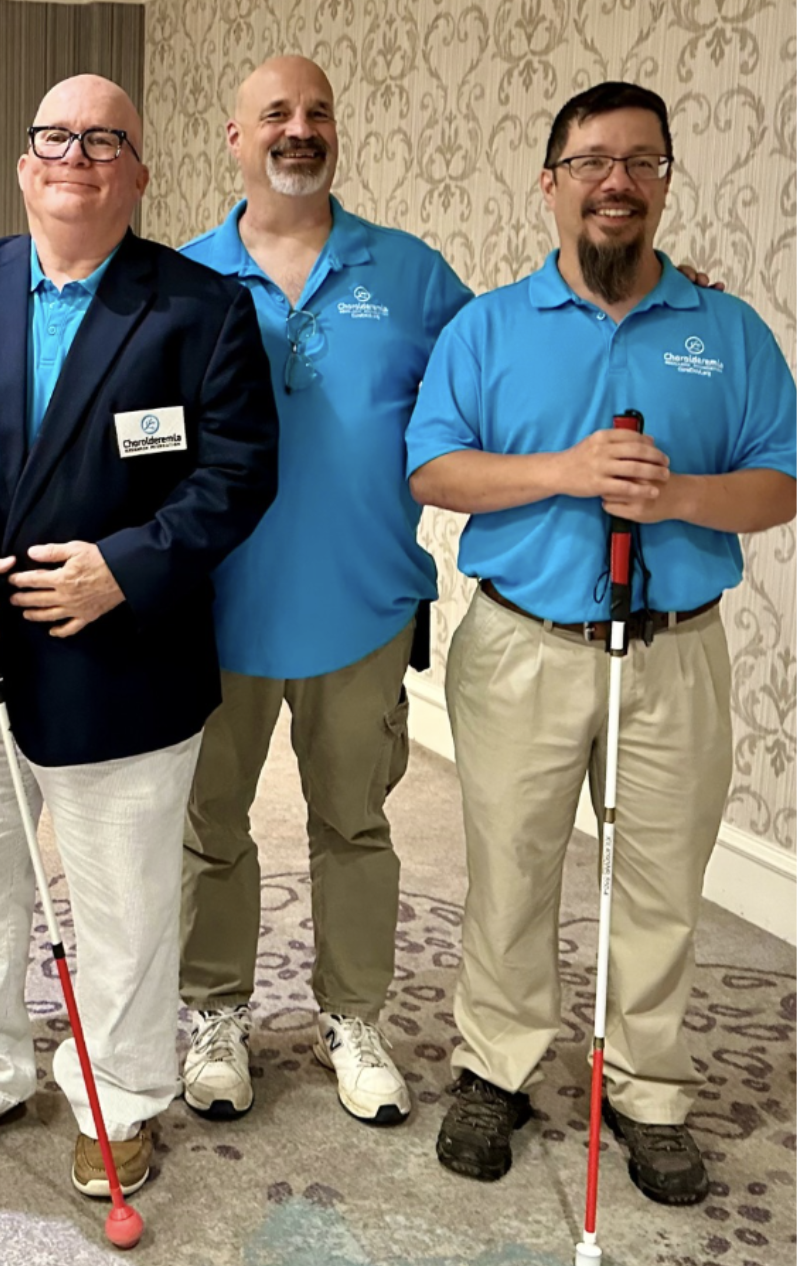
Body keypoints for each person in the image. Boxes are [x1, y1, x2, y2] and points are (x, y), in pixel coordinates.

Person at [406, 82, 796, 1203]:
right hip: (523, 646)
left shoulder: (726, 331)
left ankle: (649, 1091)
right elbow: (432, 468)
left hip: (676, 651)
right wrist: (565, 474)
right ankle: (499, 1066)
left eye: (641, 162)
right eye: (591, 161)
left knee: (663, 881)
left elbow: (780, 487)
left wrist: (679, 501)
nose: (615, 182)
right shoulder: (487, 326)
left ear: (664, 183)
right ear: (552, 182)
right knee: (512, 872)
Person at [0, 74, 278, 1196]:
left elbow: (239, 472)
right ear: (24, 164)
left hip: (128, 664)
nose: (77, 154)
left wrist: (127, 567)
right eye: (55, 137)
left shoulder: (201, 308)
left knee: (126, 906)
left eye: (105, 140)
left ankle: (118, 1094)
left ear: (140, 174)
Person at [177, 55, 473, 1126]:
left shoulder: (413, 274)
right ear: (235, 137)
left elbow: (511, 368)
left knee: (354, 825)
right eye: (276, 115)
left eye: (318, 113)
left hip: (363, 609)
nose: (300, 130)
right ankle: (213, 1011)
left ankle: (354, 1015)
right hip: (214, 615)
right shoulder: (183, 279)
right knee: (210, 826)